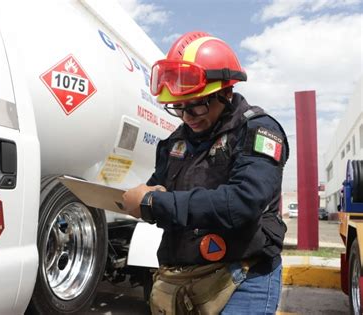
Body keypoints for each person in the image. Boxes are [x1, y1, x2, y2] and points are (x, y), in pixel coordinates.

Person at [123, 31, 289, 314]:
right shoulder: (175, 142)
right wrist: (141, 197)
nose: (188, 116)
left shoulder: (258, 131)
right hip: (181, 277)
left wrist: (154, 202)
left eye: (197, 104)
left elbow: (242, 203)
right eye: (179, 107)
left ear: (226, 92)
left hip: (243, 276)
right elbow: (158, 190)